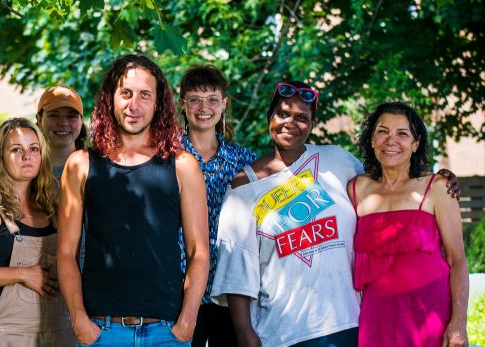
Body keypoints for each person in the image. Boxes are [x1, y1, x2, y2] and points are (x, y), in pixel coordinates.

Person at [210, 81, 460, 347]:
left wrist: (434, 179)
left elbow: (388, 182)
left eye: (301, 117)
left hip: (351, 322)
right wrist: (245, 334)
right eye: (282, 113)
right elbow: (236, 271)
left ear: (313, 124)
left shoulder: (338, 161)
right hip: (284, 332)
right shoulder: (243, 188)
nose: (290, 123)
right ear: (270, 117)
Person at [57, 54, 210, 346]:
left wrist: (188, 321)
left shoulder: (182, 165)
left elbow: (199, 252)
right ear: (110, 99)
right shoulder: (81, 164)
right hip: (102, 332)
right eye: (126, 93)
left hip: (166, 332)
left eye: (145, 95)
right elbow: (65, 252)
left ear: (158, 103)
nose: (134, 105)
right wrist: (78, 318)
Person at [349, 102, 468, 347]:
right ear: (371, 140)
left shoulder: (436, 188)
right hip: (375, 319)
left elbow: (458, 260)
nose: (391, 140)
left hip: (431, 317)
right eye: (382, 131)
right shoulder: (354, 188)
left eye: (402, 133)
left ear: (415, 144)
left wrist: (458, 324)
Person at [0, 117, 75, 346]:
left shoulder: (55, 208)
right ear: (0, 157)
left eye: (34, 149)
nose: (27, 156)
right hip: (4, 334)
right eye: (16, 149)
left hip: (57, 332)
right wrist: (23, 274)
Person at [177, 65, 257, 347]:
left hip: (230, 289)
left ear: (224, 104)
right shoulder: (166, 157)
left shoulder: (245, 160)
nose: (203, 108)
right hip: (180, 287)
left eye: (212, 99)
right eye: (195, 100)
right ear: (182, 104)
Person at [35, 85, 88, 178]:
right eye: (54, 116)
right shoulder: (28, 169)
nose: (63, 123)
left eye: (71, 116)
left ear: (81, 121)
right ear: (39, 119)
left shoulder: (95, 167)